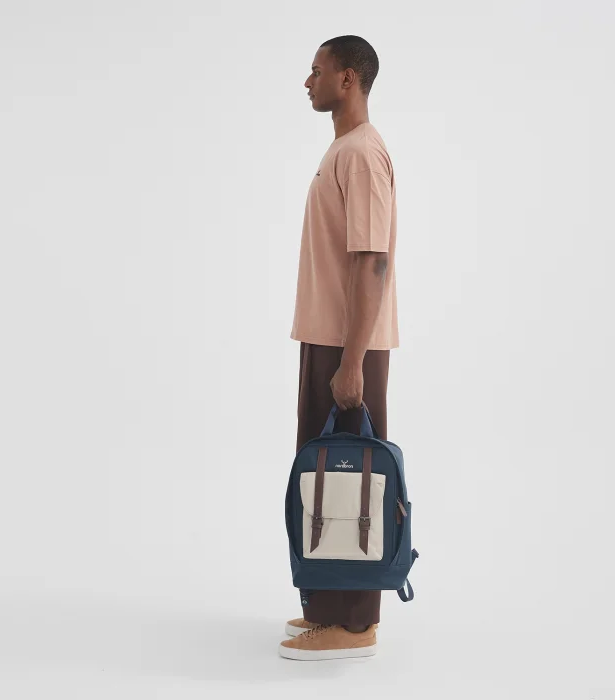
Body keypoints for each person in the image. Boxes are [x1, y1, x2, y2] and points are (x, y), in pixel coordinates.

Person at [279, 35, 399, 661]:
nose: (308, 81)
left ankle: (354, 625)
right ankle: (327, 608)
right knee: (326, 477)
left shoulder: (361, 154)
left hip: (348, 346)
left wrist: (353, 361)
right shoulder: (342, 150)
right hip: (327, 338)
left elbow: (371, 261)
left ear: (347, 78)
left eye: (317, 70)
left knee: (353, 480)